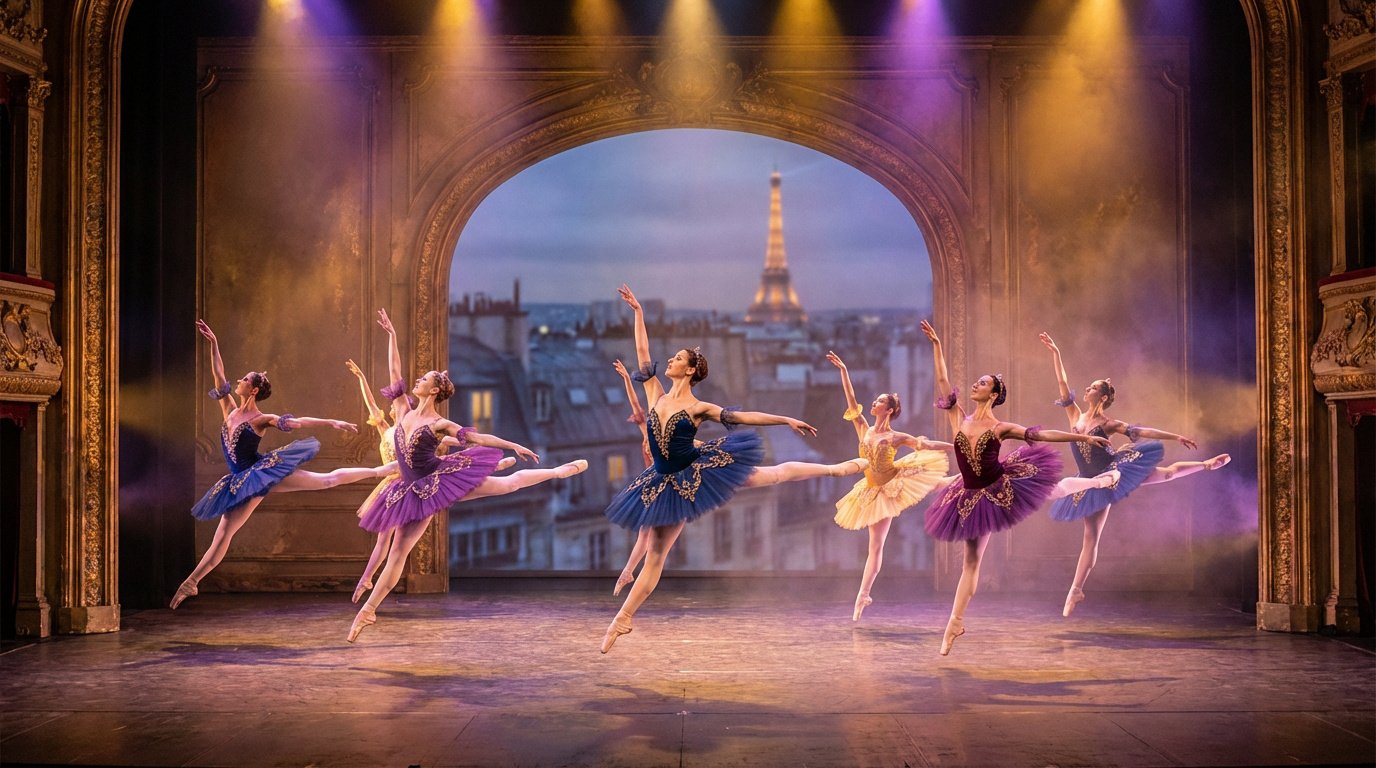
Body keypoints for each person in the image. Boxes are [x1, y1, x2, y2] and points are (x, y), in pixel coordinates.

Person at [600, 285, 867, 653]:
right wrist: (638, 313)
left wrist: (785, 419)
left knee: (773, 475)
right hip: (663, 481)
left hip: (700, 472)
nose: (670, 360)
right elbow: (642, 352)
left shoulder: (699, 407)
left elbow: (745, 417)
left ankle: (836, 469)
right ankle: (623, 619)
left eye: (677, 358)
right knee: (657, 556)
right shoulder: (655, 394)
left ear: (690, 370)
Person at [348, 309, 587, 642]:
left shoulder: (439, 424)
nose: (417, 380)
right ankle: (368, 611)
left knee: (508, 485)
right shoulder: (401, 409)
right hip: (407, 489)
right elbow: (394, 370)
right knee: (398, 552)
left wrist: (512, 444)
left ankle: (558, 472)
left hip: (440, 481)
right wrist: (392, 336)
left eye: (424, 379)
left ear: (434, 390)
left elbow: (479, 438)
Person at [919, 320, 1112, 655]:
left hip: (999, 486)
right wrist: (937, 345)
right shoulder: (958, 418)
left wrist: (1081, 437)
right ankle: (955, 623)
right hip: (969, 495)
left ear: (993, 394)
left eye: (982, 383)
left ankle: (1098, 481)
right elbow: (943, 381)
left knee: (1052, 490)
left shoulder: (1000, 427)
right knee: (971, 562)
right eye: (976, 382)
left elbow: (1041, 435)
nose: (975, 385)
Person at [171, 320, 389, 609]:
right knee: (223, 534)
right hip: (240, 480)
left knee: (325, 480)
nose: (238, 381)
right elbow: (218, 375)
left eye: (244, 379)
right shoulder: (230, 410)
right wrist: (214, 343)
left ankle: (381, 470)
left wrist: (331, 422)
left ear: (253, 390)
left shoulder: (260, 419)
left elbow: (297, 422)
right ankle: (191, 582)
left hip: (261, 473)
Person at [1039, 332, 1231, 617]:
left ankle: (1205, 464)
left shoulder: (1109, 423)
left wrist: (1174, 436)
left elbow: (1142, 431)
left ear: (1103, 396)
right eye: (1089, 386)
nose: (1087, 389)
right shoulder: (1075, 415)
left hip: (1115, 470)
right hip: (1089, 481)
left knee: (1165, 475)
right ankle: (1076, 589)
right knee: (1090, 537)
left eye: (1093, 387)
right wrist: (1056, 353)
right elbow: (1062, 384)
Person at [343, 358, 514, 604]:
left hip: (416, 481)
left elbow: (460, 440)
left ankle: (495, 465)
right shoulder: (389, 429)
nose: (393, 408)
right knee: (383, 538)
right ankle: (367, 579)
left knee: (395, 545)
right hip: (394, 484)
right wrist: (362, 378)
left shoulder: (424, 425)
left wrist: (506, 445)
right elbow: (374, 402)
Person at [826, 350, 952, 621]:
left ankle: (971, 478)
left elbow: (926, 444)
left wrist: (957, 447)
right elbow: (851, 399)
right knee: (875, 546)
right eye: (876, 399)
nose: (874, 402)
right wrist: (844, 371)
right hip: (872, 490)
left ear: (890, 410)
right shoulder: (863, 427)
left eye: (881, 401)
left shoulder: (897, 436)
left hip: (894, 481)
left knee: (935, 483)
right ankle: (863, 595)